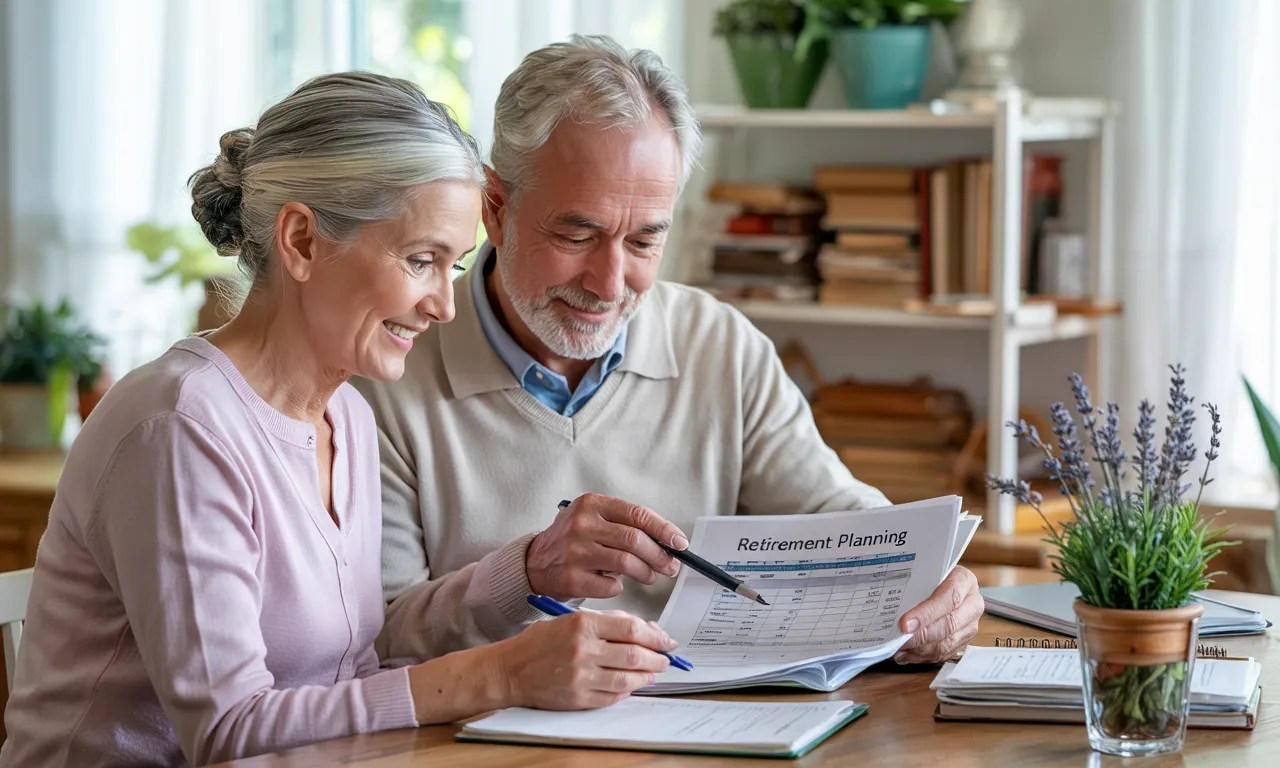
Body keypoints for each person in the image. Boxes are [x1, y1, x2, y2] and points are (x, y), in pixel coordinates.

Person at [0, 72, 678, 768]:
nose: (444, 306)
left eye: (456, 266)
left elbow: (351, 672)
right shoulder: (178, 426)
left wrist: (528, 574)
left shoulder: (347, 416)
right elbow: (228, 733)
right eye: (421, 261)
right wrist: (500, 672)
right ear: (300, 241)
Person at [354, 36, 984, 671]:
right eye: (577, 234)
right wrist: (525, 573)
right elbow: (376, 639)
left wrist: (926, 582)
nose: (608, 282)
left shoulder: (720, 345)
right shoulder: (386, 372)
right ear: (496, 207)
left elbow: (837, 518)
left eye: (644, 241)